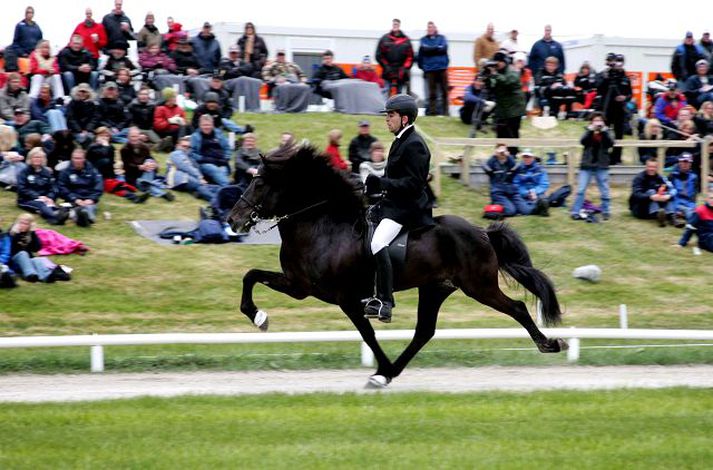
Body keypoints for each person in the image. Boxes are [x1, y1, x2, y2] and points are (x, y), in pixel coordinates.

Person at [362, 94, 432, 323]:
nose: (386, 120)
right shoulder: (400, 140)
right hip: (393, 203)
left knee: (377, 242)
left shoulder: (415, 144)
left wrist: (381, 183)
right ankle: (367, 293)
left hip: (408, 208)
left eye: (390, 115)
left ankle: (385, 302)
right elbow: (395, 178)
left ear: (404, 118)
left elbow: (413, 184)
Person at [571, 113, 613, 221]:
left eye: (600, 120)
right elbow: (582, 141)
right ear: (591, 122)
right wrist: (590, 130)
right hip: (587, 165)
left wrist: (604, 131)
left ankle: (606, 211)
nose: (598, 122)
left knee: (604, 189)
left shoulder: (607, 132)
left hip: (601, 165)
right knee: (581, 189)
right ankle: (576, 211)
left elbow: (611, 143)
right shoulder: (588, 131)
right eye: (595, 120)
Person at [484, 51, 526, 155]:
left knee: (512, 134)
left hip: (514, 109)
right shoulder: (497, 73)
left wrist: (494, 74)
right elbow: (492, 87)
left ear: (504, 62)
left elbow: (506, 82)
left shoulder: (512, 72)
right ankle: (500, 155)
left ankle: (513, 155)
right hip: (502, 109)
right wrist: (487, 77)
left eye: (498, 62)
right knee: (501, 133)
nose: (496, 65)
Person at [8, 213, 69, 283]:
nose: (23, 225)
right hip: (14, 259)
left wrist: (33, 233)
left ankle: (47, 277)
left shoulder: (30, 234)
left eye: (26, 224)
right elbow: (10, 249)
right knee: (23, 254)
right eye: (21, 223)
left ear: (29, 225)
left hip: (27, 259)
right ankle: (30, 275)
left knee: (37, 260)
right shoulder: (12, 233)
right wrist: (18, 236)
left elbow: (37, 248)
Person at [16, 147, 69, 225]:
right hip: (26, 199)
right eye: (35, 157)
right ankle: (55, 216)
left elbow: (53, 188)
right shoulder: (24, 172)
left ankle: (57, 217)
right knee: (40, 204)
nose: (37, 159)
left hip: (45, 198)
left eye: (40, 157)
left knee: (50, 204)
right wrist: (38, 196)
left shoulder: (47, 172)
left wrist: (49, 197)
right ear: (30, 158)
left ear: (43, 159)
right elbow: (22, 189)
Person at [596, 52, 632, 165]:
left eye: (620, 62)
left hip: (620, 110)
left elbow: (630, 94)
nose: (618, 65)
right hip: (607, 108)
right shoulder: (605, 75)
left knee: (619, 134)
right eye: (617, 62)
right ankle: (603, 154)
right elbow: (599, 89)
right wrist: (606, 78)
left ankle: (617, 157)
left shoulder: (625, 78)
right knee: (604, 132)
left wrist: (624, 98)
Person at [121, 127, 173, 200]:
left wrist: (154, 164)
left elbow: (150, 158)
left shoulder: (144, 147)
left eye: (136, 136)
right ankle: (163, 194)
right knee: (140, 183)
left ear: (139, 136)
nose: (134, 138)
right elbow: (127, 165)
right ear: (128, 137)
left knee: (150, 161)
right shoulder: (124, 149)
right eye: (132, 136)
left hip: (145, 173)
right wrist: (140, 167)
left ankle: (145, 183)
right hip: (133, 175)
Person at [57, 148, 103, 227]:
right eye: (75, 158)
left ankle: (85, 219)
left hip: (87, 200)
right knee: (63, 208)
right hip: (73, 200)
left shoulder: (92, 170)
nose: (77, 160)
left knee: (88, 210)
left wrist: (91, 199)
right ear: (71, 158)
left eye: (80, 158)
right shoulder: (65, 171)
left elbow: (99, 186)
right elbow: (62, 187)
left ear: (84, 159)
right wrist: (74, 199)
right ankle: (69, 215)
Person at [165, 136, 219, 201]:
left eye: (188, 147)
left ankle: (221, 194)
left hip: (184, 178)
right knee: (201, 186)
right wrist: (199, 177)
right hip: (177, 178)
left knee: (206, 186)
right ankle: (216, 200)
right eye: (184, 146)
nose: (186, 149)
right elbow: (186, 167)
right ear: (177, 146)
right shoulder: (176, 153)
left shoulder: (187, 156)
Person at [629, 158, 678, 227]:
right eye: (650, 166)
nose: (652, 169)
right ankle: (659, 216)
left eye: (654, 167)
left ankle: (672, 217)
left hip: (654, 206)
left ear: (657, 168)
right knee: (651, 191)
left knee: (667, 194)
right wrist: (650, 197)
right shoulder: (639, 178)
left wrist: (667, 196)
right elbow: (636, 194)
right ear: (646, 167)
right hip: (640, 208)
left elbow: (671, 189)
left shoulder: (660, 178)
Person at [482, 144, 527, 217]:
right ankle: (492, 208)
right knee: (511, 211)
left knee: (525, 211)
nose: (502, 153)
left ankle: (500, 205)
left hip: (511, 192)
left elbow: (519, 168)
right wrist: (494, 156)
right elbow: (485, 167)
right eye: (500, 151)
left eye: (504, 150)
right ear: (496, 152)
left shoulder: (510, 161)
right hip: (498, 192)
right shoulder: (492, 162)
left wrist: (508, 157)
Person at [190, 114, 232, 186]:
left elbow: (227, 148)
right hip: (205, 163)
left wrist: (226, 158)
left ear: (212, 125)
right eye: (204, 125)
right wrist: (203, 158)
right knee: (214, 170)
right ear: (200, 125)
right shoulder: (195, 136)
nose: (207, 127)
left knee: (222, 171)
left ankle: (217, 187)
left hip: (221, 161)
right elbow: (191, 153)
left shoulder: (219, 133)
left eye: (208, 125)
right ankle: (230, 187)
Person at [417, 22, 449, 116]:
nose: (430, 29)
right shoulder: (423, 39)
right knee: (432, 93)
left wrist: (431, 49)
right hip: (430, 69)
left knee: (444, 92)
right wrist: (437, 48)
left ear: (435, 28)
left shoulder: (442, 38)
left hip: (442, 68)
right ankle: (432, 112)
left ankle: (445, 112)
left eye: (432, 27)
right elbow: (424, 50)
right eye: (428, 27)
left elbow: (444, 49)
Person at [375, 19, 414, 95]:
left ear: (399, 25)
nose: (395, 25)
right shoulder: (384, 38)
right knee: (385, 92)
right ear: (392, 25)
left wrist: (404, 68)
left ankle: (398, 107)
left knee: (400, 94)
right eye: (394, 24)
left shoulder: (406, 40)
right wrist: (386, 66)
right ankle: (385, 107)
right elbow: (379, 55)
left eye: (397, 24)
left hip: (401, 72)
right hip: (387, 71)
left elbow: (410, 57)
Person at [513, 149, 550, 216]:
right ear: (522, 158)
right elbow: (516, 185)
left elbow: (544, 184)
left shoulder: (540, 169)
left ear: (533, 157)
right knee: (524, 208)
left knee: (543, 199)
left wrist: (534, 191)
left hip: (537, 193)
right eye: (525, 157)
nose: (526, 159)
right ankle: (538, 209)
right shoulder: (518, 169)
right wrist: (526, 193)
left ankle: (541, 207)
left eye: (529, 157)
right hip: (523, 194)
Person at [7, 6, 43, 72]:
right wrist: (22, 53)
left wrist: (37, 53)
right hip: (23, 55)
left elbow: (40, 42)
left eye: (31, 13)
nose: (30, 14)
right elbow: (15, 42)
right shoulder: (19, 25)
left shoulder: (37, 27)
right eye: (28, 12)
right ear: (25, 14)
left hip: (34, 55)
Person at [669, 153, 698, 224]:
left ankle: (683, 216)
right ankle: (676, 216)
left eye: (687, 162)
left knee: (694, 213)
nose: (685, 164)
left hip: (688, 204)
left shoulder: (694, 177)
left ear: (690, 164)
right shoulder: (672, 176)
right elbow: (670, 193)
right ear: (679, 162)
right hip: (676, 203)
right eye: (683, 162)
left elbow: (693, 196)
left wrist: (692, 207)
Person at [0, 216, 19, 288]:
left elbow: (6, 253)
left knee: (6, 271)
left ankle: (5, 278)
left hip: (1, 263)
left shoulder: (4, 237)